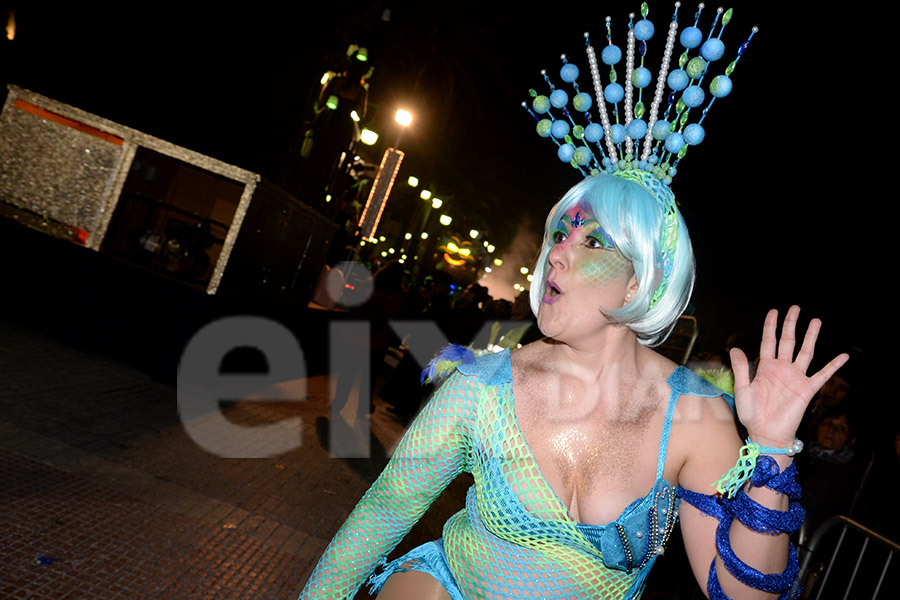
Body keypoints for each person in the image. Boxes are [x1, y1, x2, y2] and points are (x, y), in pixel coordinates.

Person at [298, 7, 848, 599]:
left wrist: (769, 451)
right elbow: (379, 517)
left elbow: (745, 595)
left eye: (591, 242)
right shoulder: (482, 389)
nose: (556, 254)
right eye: (559, 234)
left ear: (639, 283)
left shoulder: (693, 417)